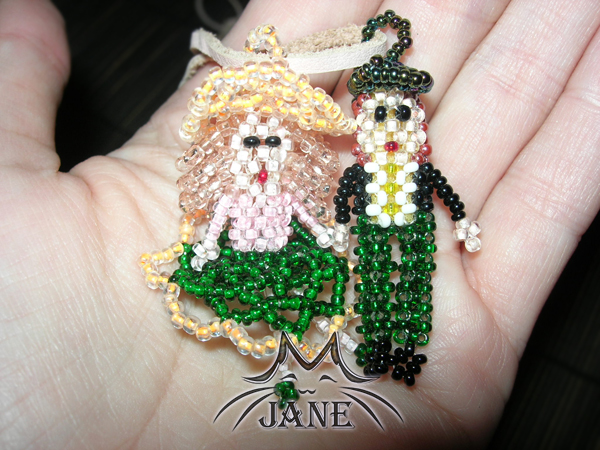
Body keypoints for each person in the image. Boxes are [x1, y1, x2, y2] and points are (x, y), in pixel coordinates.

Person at [0, 0, 598, 448]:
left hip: (394, 232)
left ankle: (404, 348)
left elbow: (340, 207)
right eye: (252, 144)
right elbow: (238, 218)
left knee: (408, 284)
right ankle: (379, 342)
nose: (262, 153)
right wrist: (213, 247)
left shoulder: (381, 173)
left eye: (272, 143)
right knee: (367, 288)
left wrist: (447, 224)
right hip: (280, 249)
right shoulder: (276, 187)